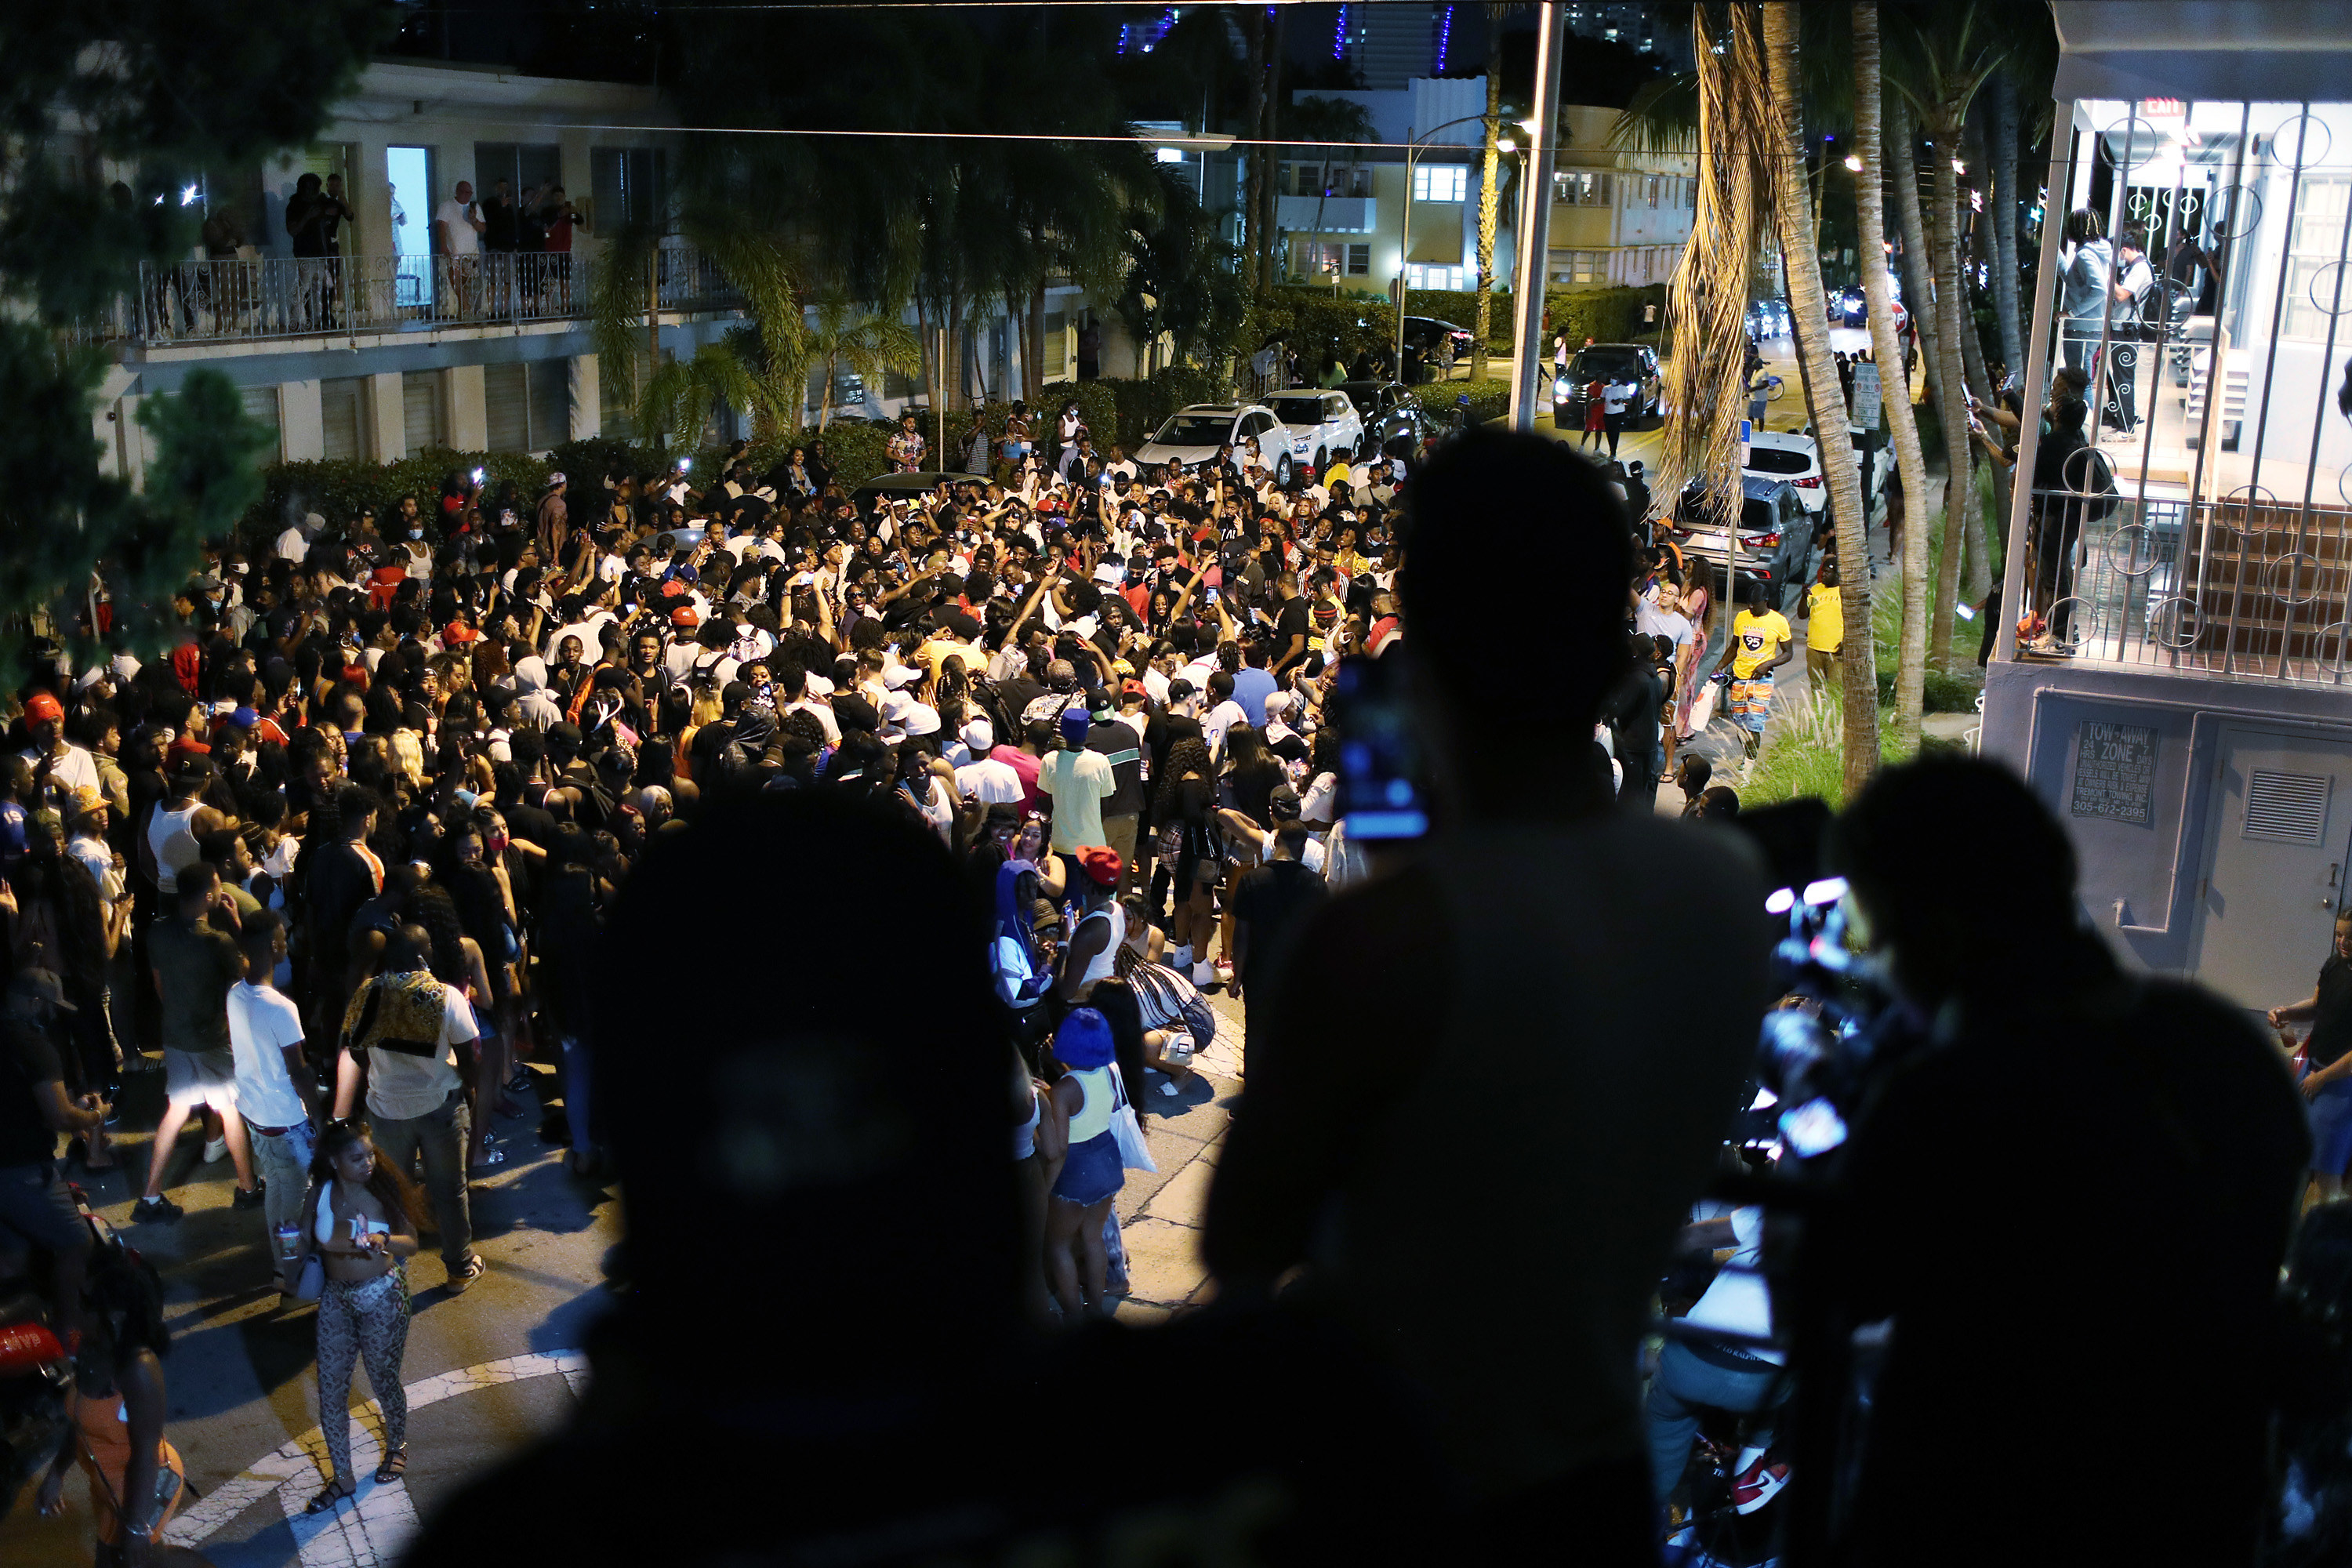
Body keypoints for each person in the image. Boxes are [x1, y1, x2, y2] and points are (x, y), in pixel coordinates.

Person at [1204, 428, 1773, 1560]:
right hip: (1597, 1481)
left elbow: (1242, 1243)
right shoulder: (1716, 892)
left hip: (1408, 1495)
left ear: (1431, 644)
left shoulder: (1385, 941)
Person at [1825, 756, 2307, 1567]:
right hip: (2192, 1514)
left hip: (1978, 1520)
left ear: (1937, 932)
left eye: (1885, 933)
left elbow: (1835, 1282)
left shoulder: (1952, 1097)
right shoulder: (2225, 1046)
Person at [331, 923, 485, 1293]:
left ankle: (391, 1268)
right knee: (449, 1190)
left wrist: (382, 1075)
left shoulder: (366, 995)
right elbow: (470, 1056)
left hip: (385, 1112)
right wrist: (468, 1088)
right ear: (421, 956)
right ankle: (459, 1269)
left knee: (391, 1193)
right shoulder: (445, 997)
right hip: (439, 1109)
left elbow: (355, 1050)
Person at [292, 1116, 423, 1513]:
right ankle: (343, 1479)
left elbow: (412, 1244)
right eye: (357, 1158)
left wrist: (385, 1242)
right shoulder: (320, 1193)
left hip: (383, 1295)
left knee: (384, 1381)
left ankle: (396, 1444)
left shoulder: (383, 1191)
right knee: (330, 1392)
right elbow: (302, 1239)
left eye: (369, 1154)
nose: (368, 1163)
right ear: (334, 1161)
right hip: (336, 1298)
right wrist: (288, 1251)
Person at [33, 1240, 185, 1560]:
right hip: (106, 1486)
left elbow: (146, 1456)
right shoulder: (90, 1347)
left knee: (137, 1559)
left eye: (82, 1301)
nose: (70, 1305)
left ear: (113, 1315)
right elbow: (80, 1422)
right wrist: (56, 1474)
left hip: (143, 1491)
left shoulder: (137, 1370)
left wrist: (135, 1528)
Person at [136, 860, 260, 1222]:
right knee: (228, 1109)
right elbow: (250, 973)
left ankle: (151, 1196)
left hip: (175, 1035)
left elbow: (159, 984)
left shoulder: (158, 932)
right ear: (209, 896)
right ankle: (248, 1188)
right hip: (211, 1038)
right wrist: (237, 925)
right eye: (219, 886)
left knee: (176, 1110)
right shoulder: (215, 941)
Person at [0, 969, 105, 1336]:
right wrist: (95, 1115)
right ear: (34, 1004)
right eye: (50, 1008)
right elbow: (60, 1115)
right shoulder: (34, 1046)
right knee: (77, 1243)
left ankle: (24, 1337)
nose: (53, 1017)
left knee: (12, 1260)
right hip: (21, 1169)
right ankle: (69, 1335)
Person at [227, 910, 323, 1294]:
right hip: (286, 1122)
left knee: (279, 1196)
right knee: (295, 1207)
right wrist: (319, 1117)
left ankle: (283, 1266)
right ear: (272, 946)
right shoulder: (281, 1008)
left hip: (256, 1116)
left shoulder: (235, 994)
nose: (287, 943)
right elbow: (298, 1072)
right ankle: (291, 1273)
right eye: (283, 937)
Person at [1040, 1006, 1126, 1321]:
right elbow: (1085, 1089)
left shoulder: (1061, 1091)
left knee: (1059, 1246)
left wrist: (1045, 1187)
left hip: (1076, 1172)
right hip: (1106, 1161)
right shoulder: (1110, 1070)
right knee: (1093, 1238)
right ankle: (1097, 1307)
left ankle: (1074, 1316)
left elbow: (1058, 1149)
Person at [2270, 907, 2352, 1200]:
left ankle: (2334, 1237)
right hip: (2313, 1071)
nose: (2343, 942)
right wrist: (2287, 1012)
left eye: (2351, 938)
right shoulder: (2334, 965)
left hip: (2341, 1084)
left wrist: (2323, 1079)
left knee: (2326, 1172)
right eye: (2339, 935)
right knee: (2297, 1155)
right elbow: (2317, 1004)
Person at [1714, 580, 1793, 761]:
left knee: (1754, 725)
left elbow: (1788, 654)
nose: (1750, 607)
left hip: (1761, 681)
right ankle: (1746, 758)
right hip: (1739, 679)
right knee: (1740, 726)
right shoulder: (1742, 617)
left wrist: (1768, 664)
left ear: (1765, 601)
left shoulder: (1779, 621)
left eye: (1754, 604)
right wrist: (1719, 666)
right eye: (1748, 603)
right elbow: (1735, 646)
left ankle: (1749, 766)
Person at [2058, 206, 2112, 377]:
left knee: (2080, 381)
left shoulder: (2085, 255)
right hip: (2091, 326)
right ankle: (2084, 405)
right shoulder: (2096, 251)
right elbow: (2073, 281)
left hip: (2082, 327)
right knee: (2081, 378)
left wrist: (2073, 313)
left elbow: (2100, 289)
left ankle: (2085, 406)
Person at [1799, 555, 1843, 695]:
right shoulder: (1816, 589)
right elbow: (1802, 615)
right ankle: (1819, 714)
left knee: (1835, 690)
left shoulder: (1845, 592)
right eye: (1822, 571)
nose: (1823, 574)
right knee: (1817, 690)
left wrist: (1847, 642)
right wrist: (1804, 597)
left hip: (1836, 651)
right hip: (1814, 650)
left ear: (1837, 575)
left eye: (1827, 572)